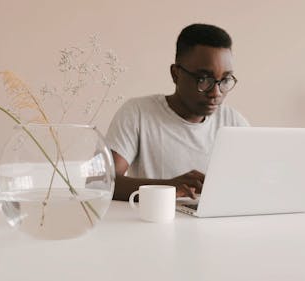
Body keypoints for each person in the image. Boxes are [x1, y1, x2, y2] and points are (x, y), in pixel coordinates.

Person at [106, 23, 249, 201]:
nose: (216, 92)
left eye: (225, 79)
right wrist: (167, 188)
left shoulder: (233, 122)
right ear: (176, 74)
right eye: (204, 79)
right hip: (156, 225)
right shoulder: (138, 113)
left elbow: (257, 181)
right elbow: (102, 182)